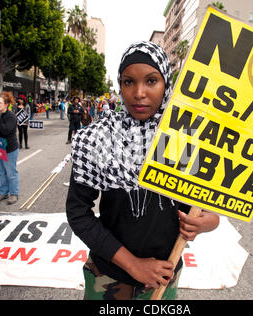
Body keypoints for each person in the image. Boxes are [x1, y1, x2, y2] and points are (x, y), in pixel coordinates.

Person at [66, 41, 220, 300]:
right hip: (108, 278)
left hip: (163, 278)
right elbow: (78, 212)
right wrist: (133, 264)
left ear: (166, 85)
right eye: (129, 82)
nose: (139, 93)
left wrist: (207, 222)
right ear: (120, 84)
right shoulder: (97, 138)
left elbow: (205, 205)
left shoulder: (186, 137)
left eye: (151, 81)